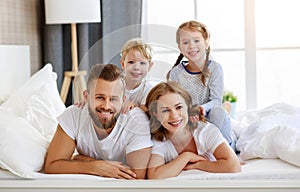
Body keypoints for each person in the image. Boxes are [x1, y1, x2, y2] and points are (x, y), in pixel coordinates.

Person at [44, 64, 153, 179]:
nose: (106, 106)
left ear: (123, 100)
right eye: (100, 97)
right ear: (86, 97)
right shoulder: (73, 115)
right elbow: (52, 165)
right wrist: (94, 167)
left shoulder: (137, 121)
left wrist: (84, 160)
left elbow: (137, 175)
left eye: (113, 99)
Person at [145, 81, 241, 179]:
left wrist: (197, 165)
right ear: (155, 114)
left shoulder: (204, 131)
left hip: (225, 135)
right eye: (165, 110)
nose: (174, 116)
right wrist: (186, 156)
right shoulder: (159, 140)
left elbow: (234, 166)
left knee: (234, 137)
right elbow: (154, 175)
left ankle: (229, 116)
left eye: (179, 107)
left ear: (187, 106)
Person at [167, 20, 233, 147]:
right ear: (180, 48)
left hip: (211, 117)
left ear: (206, 43)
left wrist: (201, 109)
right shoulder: (175, 73)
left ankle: (225, 148)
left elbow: (215, 101)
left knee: (218, 111)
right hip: (188, 117)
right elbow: (174, 102)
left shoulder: (215, 68)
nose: (191, 46)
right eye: (185, 42)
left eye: (197, 41)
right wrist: (189, 112)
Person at [120, 37, 154, 113]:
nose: (136, 68)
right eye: (131, 62)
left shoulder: (148, 90)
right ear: (123, 64)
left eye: (142, 63)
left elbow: (145, 114)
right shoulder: (116, 83)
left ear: (150, 66)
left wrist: (134, 107)